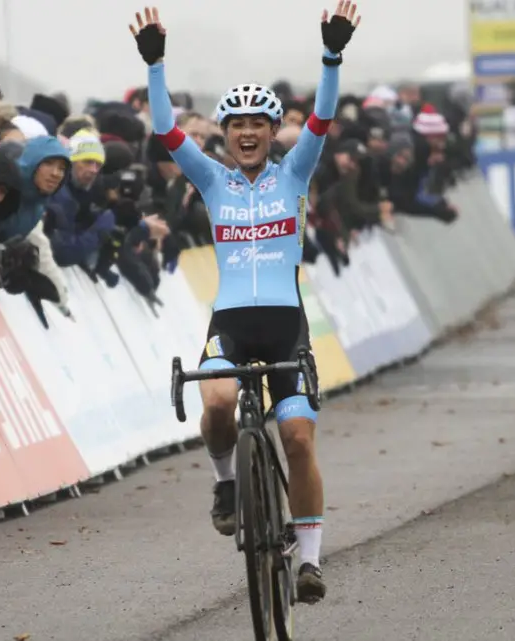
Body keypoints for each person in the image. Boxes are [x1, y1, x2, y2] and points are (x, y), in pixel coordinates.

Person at [129, 1, 360, 603]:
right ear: (226, 135)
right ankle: (227, 481)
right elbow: (166, 132)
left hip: (286, 325)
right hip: (231, 322)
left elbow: (323, 119)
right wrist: (156, 66)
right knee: (217, 401)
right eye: (238, 125)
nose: (249, 132)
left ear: (272, 131)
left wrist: (331, 57)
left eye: (260, 123)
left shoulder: (294, 174)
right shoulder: (211, 180)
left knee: (301, 441)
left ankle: (309, 559)